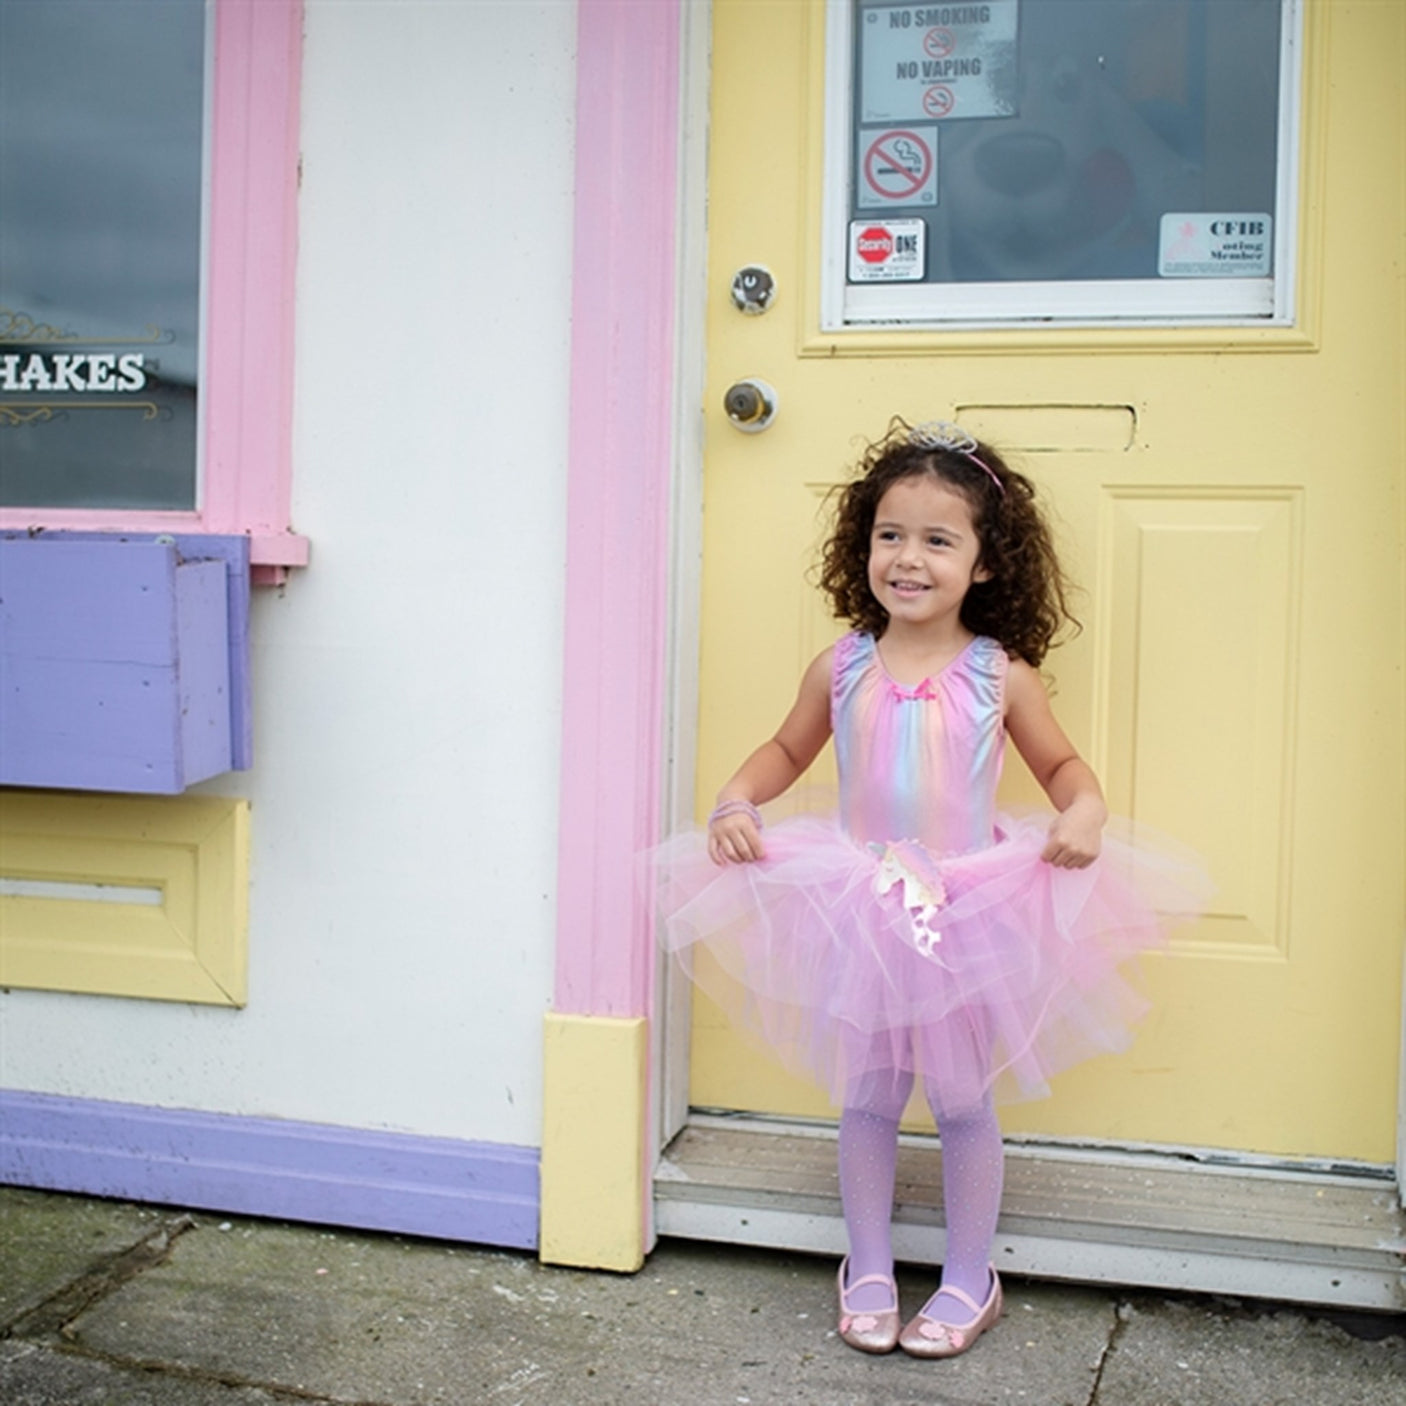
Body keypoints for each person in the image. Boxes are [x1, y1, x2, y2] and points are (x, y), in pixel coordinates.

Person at [651, 420, 1208, 1360]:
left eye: (938, 540)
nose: (908, 558)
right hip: (859, 904)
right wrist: (735, 799)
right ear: (862, 545)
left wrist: (1085, 811)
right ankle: (868, 1263)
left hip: (964, 908)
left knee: (960, 1101)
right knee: (869, 1097)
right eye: (890, 535)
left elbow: (1062, 766)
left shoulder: (1000, 675)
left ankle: (968, 1275)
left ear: (986, 564)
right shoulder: (842, 666)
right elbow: (787, 748)